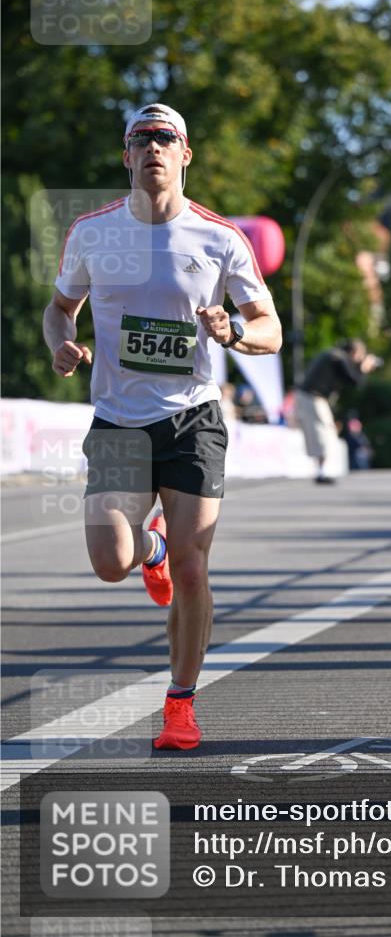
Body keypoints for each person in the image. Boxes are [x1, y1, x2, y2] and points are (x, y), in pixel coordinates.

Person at [42, 103, 281, 749]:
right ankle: (148, 551)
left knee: (195, 564)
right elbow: (60, 309)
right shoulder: (93, 234)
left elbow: (271, 328)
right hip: (118, 422)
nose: (152, 146)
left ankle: (179, 705)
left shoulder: (218, 237)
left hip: (191, 420)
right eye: (140, 138)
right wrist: (61, 344)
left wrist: (236, 333)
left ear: (184, 154)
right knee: (108, 560)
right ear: (125, 156)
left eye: (164, 137)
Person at [295, 339, 381, 484]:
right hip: (312, 397)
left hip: (312, 397)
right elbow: (355, 381)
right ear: (355, 352)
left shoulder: (333, 355)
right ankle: (321, 473)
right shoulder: (339, 358)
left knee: (325, 432)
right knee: (324, 432)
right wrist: (364, 368)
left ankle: (321, 471)